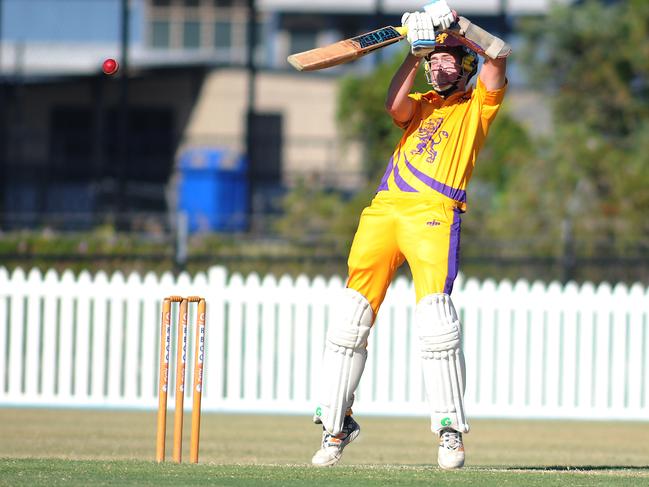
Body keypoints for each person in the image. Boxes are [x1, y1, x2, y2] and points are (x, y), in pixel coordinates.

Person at [310, 0, 509, 470]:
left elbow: (498, 55)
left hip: (434, 212)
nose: (437, 66)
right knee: (349, 319)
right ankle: (337, 426)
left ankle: (449, 432)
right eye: (433, 60)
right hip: (384, 210)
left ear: (463, 66)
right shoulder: (419, 105)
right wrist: (414, 51)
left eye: (445, 59)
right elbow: (392, 105)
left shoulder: (478, 105)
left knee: (437, 324)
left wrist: (457, 26)